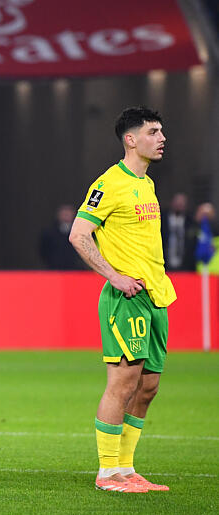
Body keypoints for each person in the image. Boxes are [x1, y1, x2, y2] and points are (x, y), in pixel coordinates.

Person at [68, 106, 175, 493]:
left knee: (148, 387)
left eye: (162, 131)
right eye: (153, 131)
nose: (161, 138)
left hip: (155, 295)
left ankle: (127, 469)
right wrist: (114, 276)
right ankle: (107, 472)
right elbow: (79, 235)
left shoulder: (146, 184)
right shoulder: (109, 183)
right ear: (131, 140)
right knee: (122, 385)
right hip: (125, 298)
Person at [39, 205, 82, 270]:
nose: (66, 216)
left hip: (75, 269)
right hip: (54, 269)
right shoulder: (49, 233)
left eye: (68, 213)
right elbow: (43, 250)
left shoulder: (80, 232)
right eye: (64, 213)